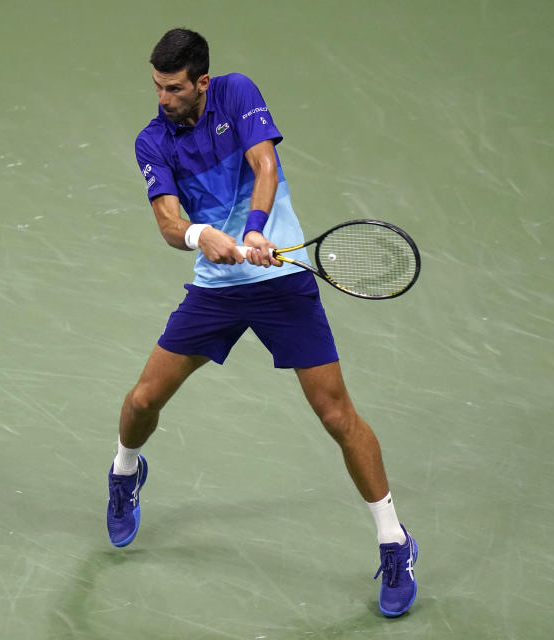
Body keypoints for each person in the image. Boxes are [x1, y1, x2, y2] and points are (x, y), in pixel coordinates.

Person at [106, 28, 418, 618]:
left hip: (282, 284)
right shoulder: (153, 141)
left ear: (202, 82)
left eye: (174, 88)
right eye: (156, 87)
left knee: (336, 415)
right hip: (216, 292)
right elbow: (171, 224)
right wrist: (204, 236)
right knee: (144, 400)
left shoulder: (237, 92)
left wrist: (253, 228)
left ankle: (394, 541)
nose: (163, 98)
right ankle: (125, 470)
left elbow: (264, 164)